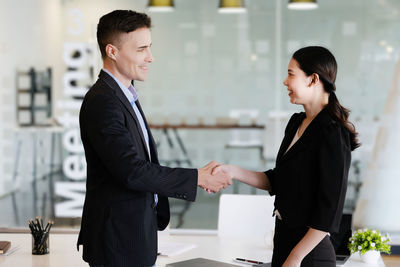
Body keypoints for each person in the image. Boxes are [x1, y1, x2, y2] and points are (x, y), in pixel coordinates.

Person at [77, 10, 231, 267]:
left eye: (149, 47)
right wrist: (197, 177)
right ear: (112, 51)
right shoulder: (103, 101)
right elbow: (132, 171)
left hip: (134, 234)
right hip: (117, 242)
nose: (150, 57)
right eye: (141, 49)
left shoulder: (124, 94)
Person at [213, 46, 360, 267]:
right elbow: (278, 180)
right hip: (283, 241)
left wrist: (296, 257)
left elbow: (330, 210)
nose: (285, 81)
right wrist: (232, 171)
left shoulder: (332, 132)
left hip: (309, 254)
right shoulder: (295, 123)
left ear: (313, 79)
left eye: (291, 74)